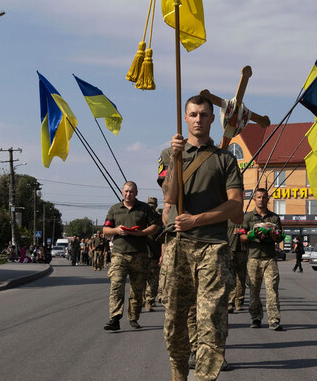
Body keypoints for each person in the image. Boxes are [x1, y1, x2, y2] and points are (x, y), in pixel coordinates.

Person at [160, 93, 244, 381]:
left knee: (211, 322)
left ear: (212, 119)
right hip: (178, 247)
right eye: (193, 114)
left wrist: (197, 219)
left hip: (212, 247)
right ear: (185, 118)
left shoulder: (226, 160)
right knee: (174, 321)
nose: (198, 119)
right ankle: (179, 376)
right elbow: (170, 196)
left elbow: (235, 207)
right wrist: (175, 157)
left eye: (204, 114)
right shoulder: (170, 154)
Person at [102, 180, 160, 331]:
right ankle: (115, 318)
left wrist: (141, 233)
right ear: (122, 192)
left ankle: (133, 317)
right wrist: (116, 230)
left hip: (139, 254)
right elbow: (105, 230)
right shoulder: (115, 209)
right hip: (119, 254)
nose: (129, 194)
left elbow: (155, 226)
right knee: (116, 285)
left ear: (136, 193)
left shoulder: (144, 208)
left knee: (137, 288)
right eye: (126, 191)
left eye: (132, 192)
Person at [241, 187, 284, 331]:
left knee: (272, 289)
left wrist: (273, 235)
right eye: (259, 197)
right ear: (254, 199)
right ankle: (256, 317)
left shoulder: (274, 218)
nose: (261, 200)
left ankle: (274, 320)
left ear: (268, 199)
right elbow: (242, 237)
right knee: (254, 290)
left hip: (270, 258)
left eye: (264, 197)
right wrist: (252, 235)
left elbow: (279, 238)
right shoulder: (247, 217)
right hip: (253, 258)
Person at [144, 197, 162, 311]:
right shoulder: (141, 216)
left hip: (155, 253)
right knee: (141, 279)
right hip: (142, 253)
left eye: (152, 205)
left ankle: (149, 301)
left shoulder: (159, 219)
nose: (151, 207)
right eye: (149, 204)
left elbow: (163, 238)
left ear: (156, 206)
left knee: (153, 280)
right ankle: (142, 299)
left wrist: (162, 254)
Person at [227, 220, 247, 313]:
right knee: (230, 278)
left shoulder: (245, 219)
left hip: (242, 250)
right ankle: (229, 302)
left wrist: (242, 232)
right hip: (229, 250)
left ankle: (239, 302)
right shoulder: (226, 218)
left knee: (241, 278)